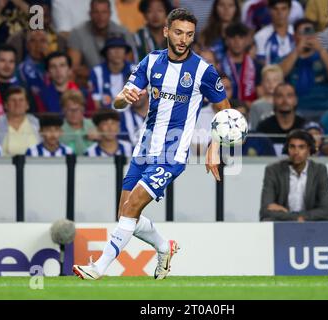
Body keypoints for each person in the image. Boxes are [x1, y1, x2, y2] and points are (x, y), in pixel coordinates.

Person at [73, 8, 230, 280]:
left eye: (189, 35)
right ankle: (163, 246)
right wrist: (124, 97)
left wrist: (214, 147)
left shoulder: (203, 70)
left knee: (132, 208)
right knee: (126, 213)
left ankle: (98, 268)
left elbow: (226, 111)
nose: (183, 39)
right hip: (144, 148)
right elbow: (118, 103)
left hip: (172, 153)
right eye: (179, 32)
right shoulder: (151, 61)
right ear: (166, 31)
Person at [259, 129, 328, 221]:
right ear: (287, 149)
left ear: (309, 150)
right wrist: (295, 217)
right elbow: (265, 210)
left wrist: (295, 215)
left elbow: (327, 210)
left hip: (310, 222)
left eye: (301, 147)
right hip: (283, 222)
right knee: (267, 220)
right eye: (292, 147)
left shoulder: (319, 170)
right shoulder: (273, 170)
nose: (296, 152)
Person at [280, 18, 328, 119]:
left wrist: (321, 50)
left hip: (324, 109)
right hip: (295, 111)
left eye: (310, 32)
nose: (307, 37)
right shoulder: (286, 59)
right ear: (294, 37)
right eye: (303, 33)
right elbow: (279, 75)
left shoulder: (325, 57)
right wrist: (297, 51)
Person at [67, 0, 136, 79]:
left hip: (120, 80)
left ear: (110, 13)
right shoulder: (77, 33)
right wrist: (97, 75)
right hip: (89, 82)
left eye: (104, 12)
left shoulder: (123, 32)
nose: (100, 17)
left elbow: (128, 66)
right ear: (90, 14)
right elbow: (73, 68)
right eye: (96, 12)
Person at [256, 83, 306, 155]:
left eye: (289, 96)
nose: (285, 100)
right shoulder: (263, 127)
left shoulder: (304, 126)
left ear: (295, 100)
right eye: (280, 96)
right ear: (274, 100)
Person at [0, 86, 40, 156]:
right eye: (13, 100)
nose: (17, 104)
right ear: (6, 105)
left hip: (36, 165)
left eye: (21, 100)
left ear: (27, 105)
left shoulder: (37, 124)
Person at [89, 36, 134, 110]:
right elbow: (96, 102)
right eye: (113, 47)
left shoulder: (135, 70)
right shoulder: (97, 72)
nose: (117, 51)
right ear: (106, 52)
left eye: (121, 47)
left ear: (125, 52)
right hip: (106, 116)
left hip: (132, 114)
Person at [219, 22, 258, 105]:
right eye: (233, 37)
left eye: (241, 37)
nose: (237, 42)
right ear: (226, 41)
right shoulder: (219, 66)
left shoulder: (256, 65)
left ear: (247, 40)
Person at [254, 0, 295, 66]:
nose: (280, 13)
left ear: (289, 10)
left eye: (283, 9)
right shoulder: (260, 36)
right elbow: (262, 65)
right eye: (275, 9)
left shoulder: (297, 33)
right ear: (269, 10)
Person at [60, 90, 97, 155]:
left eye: (77, 109)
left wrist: (101, 138)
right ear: (63, 110)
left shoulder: (93, 125)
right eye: (70, 109)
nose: (73, 113)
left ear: (83, 109)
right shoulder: (58, 129)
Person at [249, 64, 284, 131]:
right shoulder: (256, 105)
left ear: (281, 82)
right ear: (262, 82)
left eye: (275, 80)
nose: (271, 83)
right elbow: (253, 129)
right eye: (267, 80)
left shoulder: (285, 104)